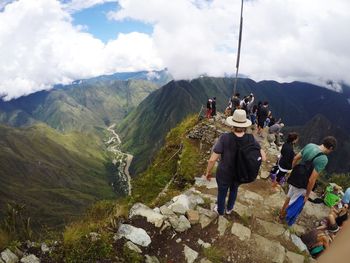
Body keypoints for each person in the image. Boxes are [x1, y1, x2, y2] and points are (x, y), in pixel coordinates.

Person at [204, 109, 266, 215]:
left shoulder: (225, 138)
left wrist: (208, 172)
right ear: (245, 125)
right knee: (234, 190)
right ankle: (229, 209)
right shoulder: (251, 138)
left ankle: (220, 211)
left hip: (224, 173)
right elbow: (263, 158)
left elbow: (212, 159)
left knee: (222, 192)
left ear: (232, 124)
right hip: (240, 173)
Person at [279, 136, 337, 221]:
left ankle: (281, 212)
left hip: (295, 175)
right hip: (303, 182)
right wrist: (307, 195)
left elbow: (295, 158)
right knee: (293, 201)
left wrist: (292, 171)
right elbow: (312, 179)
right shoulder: (323, 159)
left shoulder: (310, 145)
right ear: (331, 148)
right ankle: (282, 217)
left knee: (289, 196)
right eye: (332, 150)